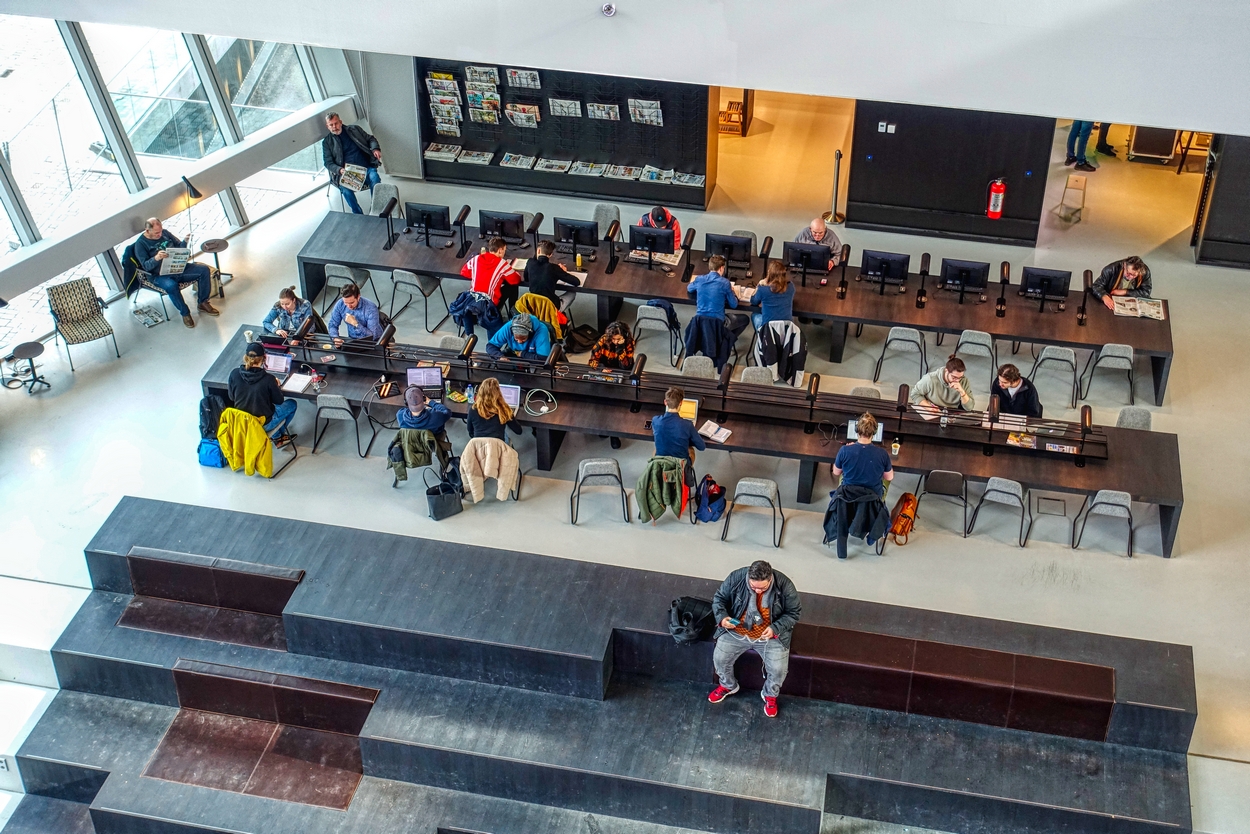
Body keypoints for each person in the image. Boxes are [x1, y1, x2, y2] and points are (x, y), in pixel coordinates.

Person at [708, 560, 802, 719]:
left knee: (779, 669)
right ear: (748, 578)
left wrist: (775, 629)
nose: (758, 591)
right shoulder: (736, 578)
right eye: (753, 587)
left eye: (763, 588)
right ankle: (728, 685)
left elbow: (794, 613)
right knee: (720, 659)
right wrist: (723, 618)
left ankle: (770, 695)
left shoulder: (785, 585)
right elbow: (719, 599)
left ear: (771, 579)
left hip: (770, 635)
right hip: (737, 631)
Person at [133, 218, 218, 328]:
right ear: (147, 230)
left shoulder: (165, 233)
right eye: (156, 233)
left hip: (177, 267)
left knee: (204, 270)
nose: (160, 234)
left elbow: (179, 248)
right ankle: (185, 313)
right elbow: (146, 267)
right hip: (159, 275)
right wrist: (156, 258)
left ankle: (203, 302)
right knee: (171, 286)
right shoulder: (140, 244)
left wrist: (185, 241)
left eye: (160, 231)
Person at [227, 342, 296, 442]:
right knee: (292, 404)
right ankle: (278, 437)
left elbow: (231, 397)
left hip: (243, 422)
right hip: (263, 423)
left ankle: (277, 436)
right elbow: (279, 401)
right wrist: (276, 386)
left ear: (246, 357)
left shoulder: (234, 373)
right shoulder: (269, 379)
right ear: (264, 358)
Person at [322, 112, 382, 214]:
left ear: (340, 122)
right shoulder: (327, 142)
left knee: (375, 178)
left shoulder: (355, 129)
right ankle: (358, 214)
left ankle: (375, 208)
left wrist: (375, 149)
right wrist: (339, 170)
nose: (334, 127)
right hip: (347, 173)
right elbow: (328, 163)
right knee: (345, 190)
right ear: (327, 126)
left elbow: (370, 139)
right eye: (331, 125)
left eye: (336, 123)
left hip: (366, 167)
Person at [688, 255, 750, 340]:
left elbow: (689, 288)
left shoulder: (700, 279)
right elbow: (734, 304)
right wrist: (732, 291)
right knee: (745, 319)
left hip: (701, 322)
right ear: (721, 268)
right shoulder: (725, 283)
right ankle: (727, 341)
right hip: (718, 324)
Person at [832, 413, 894, 498]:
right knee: (887, 478)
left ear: (856, 430)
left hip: (848, 497)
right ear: (874, 432)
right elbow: (889, 477)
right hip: (872, 500)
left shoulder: (844, 450)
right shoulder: (882, 453)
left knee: (843, 473)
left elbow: (836, 472)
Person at [461, 237, 521, 312]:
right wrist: (516, 273)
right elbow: (515, 280)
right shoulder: (501, 263)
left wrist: (478, 275)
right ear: (500, 251)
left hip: (473, 301)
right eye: (504, 250)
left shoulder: (475, 259)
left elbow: (464, 272)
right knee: (513, 287)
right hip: (490, 305)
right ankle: (512, 316)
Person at [651, 386, 704, 461]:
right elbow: (702, 447)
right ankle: (687, 471)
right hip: (680, 466)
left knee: (657, 450)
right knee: (690, 450)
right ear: (681, 403)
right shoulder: (687, 425)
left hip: (662, 463)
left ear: (665, 402)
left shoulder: (655, 420)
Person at [524, 240, 581, 308]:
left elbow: (526, 279)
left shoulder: (530, 262)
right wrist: (564, 272)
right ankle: (558, 315)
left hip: (534, 305)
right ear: (551, 254)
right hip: (550, 307)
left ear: (538, 251)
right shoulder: (554, 268)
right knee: (572, 293)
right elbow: (576, 282)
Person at [910, 355, 975, 412]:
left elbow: (969, 408)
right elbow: (915, 394)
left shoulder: (964, 381)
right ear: (946, 370)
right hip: (932, 409)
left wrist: (962, 392)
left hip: (950, 412)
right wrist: (928, 407)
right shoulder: (930, 379)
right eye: (954, 377)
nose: (957, 380)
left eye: (960, 377)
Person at [749, 261, 796, 331]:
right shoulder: (791, 287)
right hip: (786, 330)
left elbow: (753, 301)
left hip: (768, 330)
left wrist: (759, 285)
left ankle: (761, 338)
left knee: (755, 315)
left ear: (769, 273)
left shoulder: (763, 289)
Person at [486, 313, 552, 360]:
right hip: (514, 351)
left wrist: (523, 354)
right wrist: (500, 357)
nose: (520, 342)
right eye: (516, 339)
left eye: (523, 339)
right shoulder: (508, 327)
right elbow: (490, 346)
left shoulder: (541, 331)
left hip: (533, 356)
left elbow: (543, 358)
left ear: (530, 333)